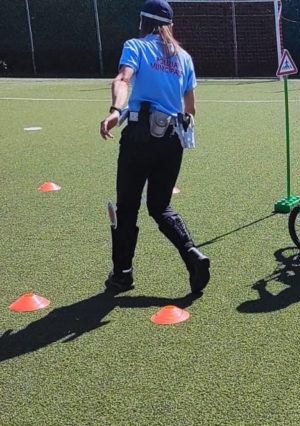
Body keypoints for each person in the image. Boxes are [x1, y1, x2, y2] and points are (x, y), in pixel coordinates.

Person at [99, 0, 209, 294]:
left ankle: (122, 274)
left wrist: (114, 110)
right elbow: (191, 108)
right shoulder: (184, 57)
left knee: (128, 207)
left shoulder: (136, 46)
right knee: (161, 207)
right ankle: (193, 256)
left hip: (139, 137)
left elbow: (123, 79)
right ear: (169, 24)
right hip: (172, 139)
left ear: (143, 22)